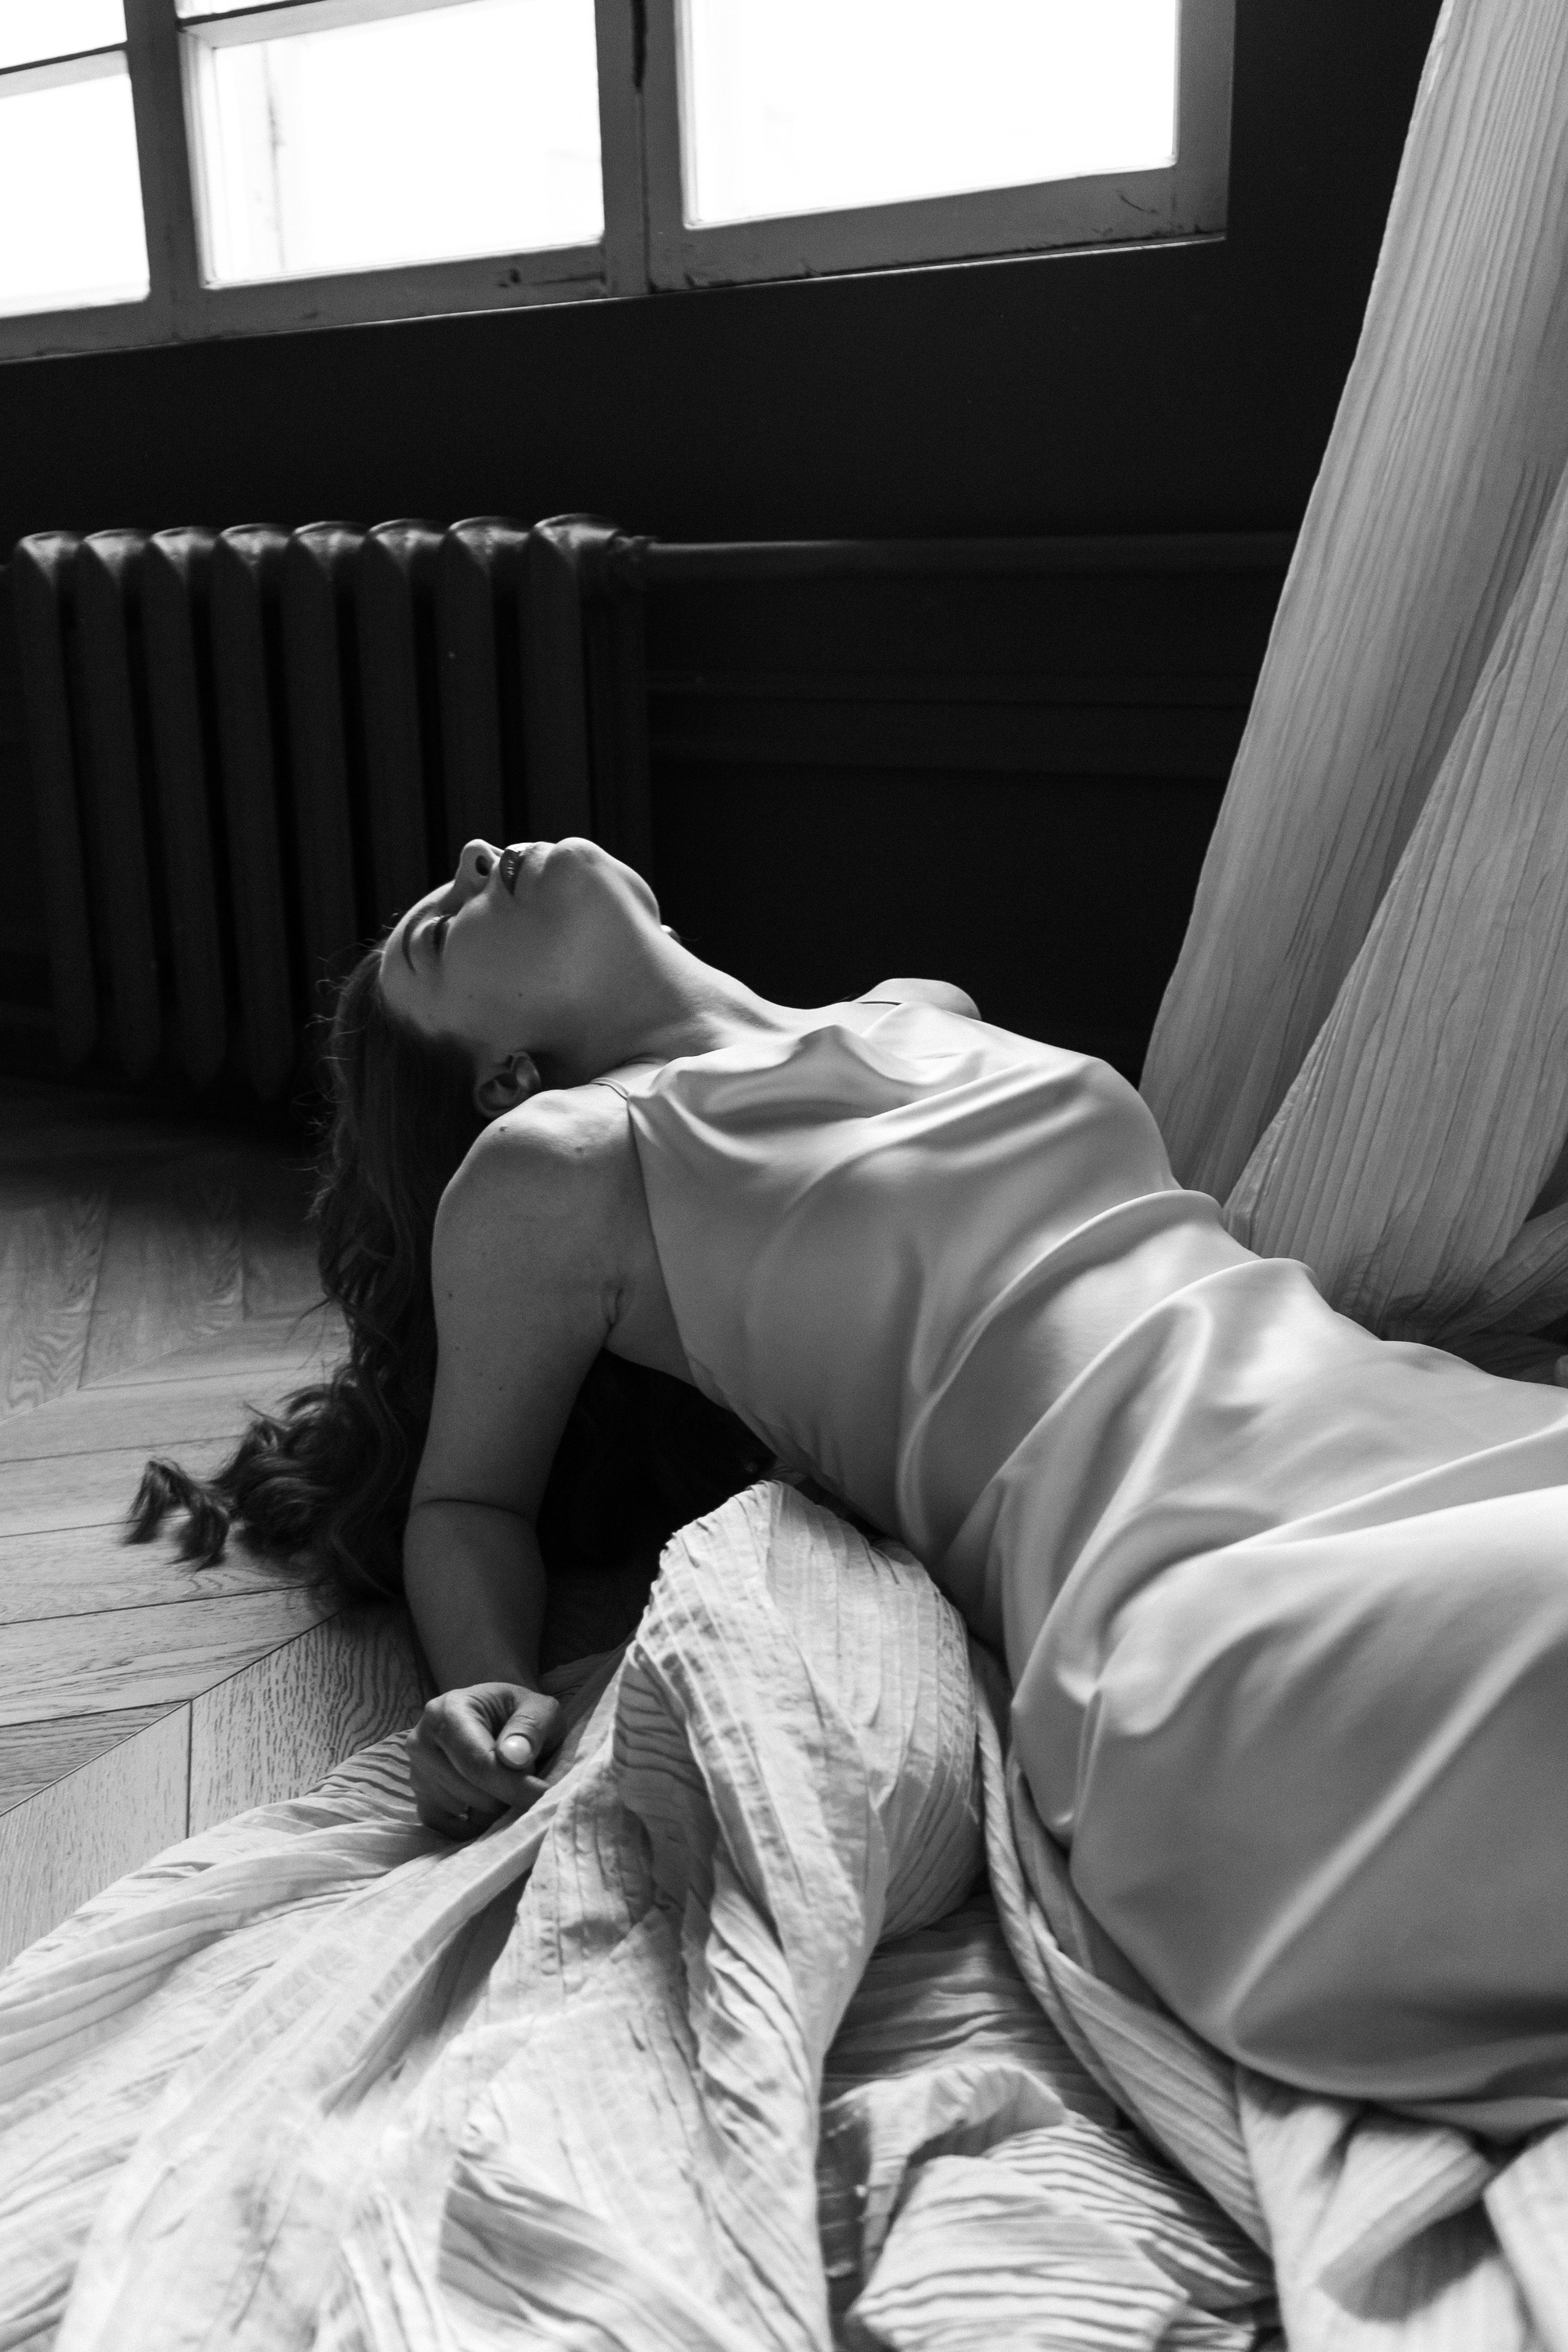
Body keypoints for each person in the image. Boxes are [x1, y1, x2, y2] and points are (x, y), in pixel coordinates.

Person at [138, 834, 1568, 2136]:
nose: (472, 854)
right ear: (506, 1076)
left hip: (1415, 1421)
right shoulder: (561, 1163)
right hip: (1185, 1566)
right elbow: (468, 1502)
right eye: (437, 933)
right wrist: (486, 1681)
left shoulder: (922, 1005)